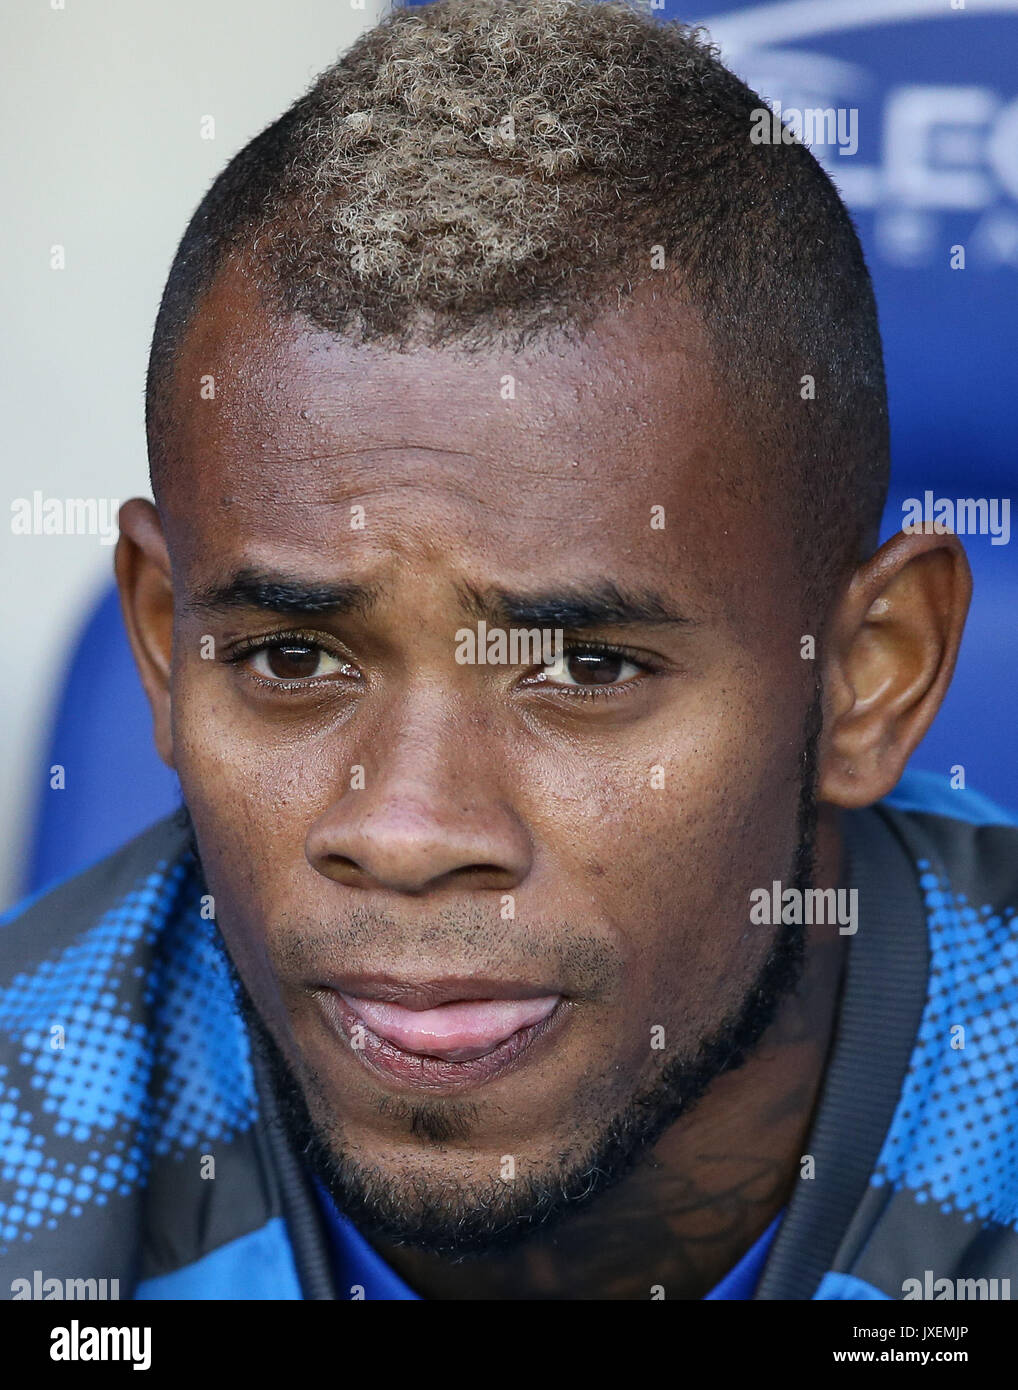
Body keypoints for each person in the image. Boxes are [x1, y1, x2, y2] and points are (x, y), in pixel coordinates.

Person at [3, 0, 1016, 1302]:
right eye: (295, 658)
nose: (410, 830)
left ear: (869, 675)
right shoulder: (30, 1162)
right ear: (162, 639)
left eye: (586, 669)